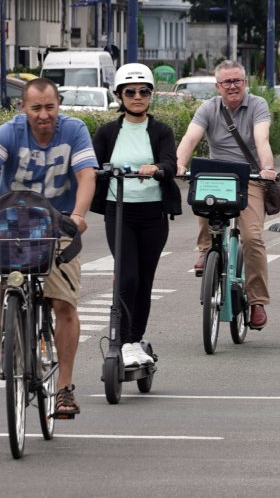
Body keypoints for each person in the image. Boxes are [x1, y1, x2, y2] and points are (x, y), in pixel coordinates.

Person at [0, 78, 96, 418]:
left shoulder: (75, 131)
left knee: (63, 303)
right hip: (12, 222)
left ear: (59, 105)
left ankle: (64, 389)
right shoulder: (10, 132)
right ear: (23, 109)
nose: (44, 115)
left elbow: (87, 175)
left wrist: (78, 215)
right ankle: (4, 323)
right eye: (36, 108)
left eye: (50, 107)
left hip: (58, 224)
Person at [91, 64, 182, 367]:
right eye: (130, 92)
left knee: (144, 280)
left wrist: (157, 169)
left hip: (153, 214)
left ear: (151, 95)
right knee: (126, 276)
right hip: (119, 212)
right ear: (119, 95)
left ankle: (134, 340)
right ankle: (120, 338)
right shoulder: (106, 132)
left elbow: (171, 163)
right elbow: (92, 166)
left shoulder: (161, 131)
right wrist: (99, 172)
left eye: (144, 91)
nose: (138, 96)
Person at [175, 60, 277, 330]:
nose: (233, 87)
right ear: (217, 86)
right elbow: (189, 138)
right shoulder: (208, 108)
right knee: (201, 190)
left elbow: (261, 138)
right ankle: (205, 249)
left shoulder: (257, 105)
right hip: (217, 176)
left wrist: (266, 168)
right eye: (227, 82)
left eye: (237, 81)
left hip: (249, 177)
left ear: (245, 83)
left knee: (253, 237)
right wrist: (179, 165)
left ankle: (257, 302)